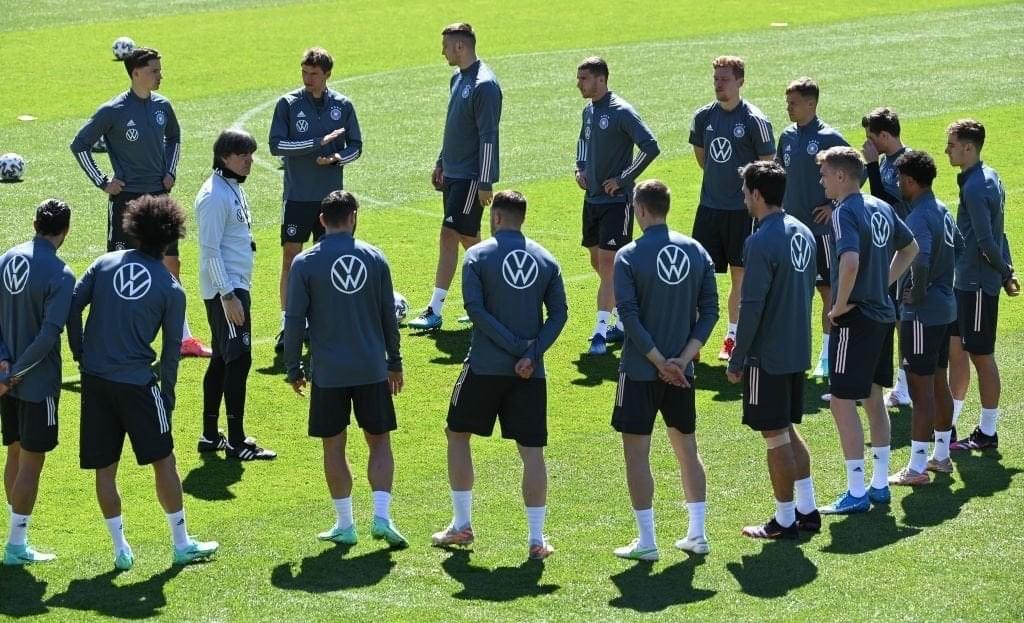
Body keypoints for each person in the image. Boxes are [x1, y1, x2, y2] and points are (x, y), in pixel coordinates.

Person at [68, 195, 218, 570]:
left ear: (133, 229)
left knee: (105, 468)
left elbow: (72, 305)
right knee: (164, 461)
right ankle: (181, 543)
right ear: (170, 237)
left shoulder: (104, 264)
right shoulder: (171, 289)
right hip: (138, 386)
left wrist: (79, 351)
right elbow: (170, 353)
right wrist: (167, 397)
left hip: (95, 381)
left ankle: (120, 549)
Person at [431, 190, 566, 560]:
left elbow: (475, 310)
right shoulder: (547, 259)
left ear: (496, 218)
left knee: (457, 434)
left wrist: (514, 346)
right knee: (532, 452)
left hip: (484, 366)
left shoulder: (477, 255)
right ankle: (536, 539)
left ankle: (462, 525)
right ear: (522, 218)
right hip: (530, 374)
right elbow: (560, 314)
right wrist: (531, 353)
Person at [69, 46, 211, 358]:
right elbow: (79, 145)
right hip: (127, 201)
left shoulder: (163, 106)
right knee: (117, 270)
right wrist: (103, 181)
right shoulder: (113, 110)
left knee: (171, 263)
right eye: (154, 71)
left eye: (159, 69)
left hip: (160, 200)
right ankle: (103, 338)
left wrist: (170, 171)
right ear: (136, 73)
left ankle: (183, 338)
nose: (160, 75)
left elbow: (174, 137)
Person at [284, 191, 407, 548]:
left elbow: (294, 321)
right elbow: (389, 317)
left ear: (322, 221)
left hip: (329, 374)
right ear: (353, 217)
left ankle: (345, 524)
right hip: (372, 369)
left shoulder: (304, 263)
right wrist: (395, 362)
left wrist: (293, 367)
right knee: (379, 442)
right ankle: (381, 517)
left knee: (334, 447)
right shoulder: (375, 258)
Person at [611, 180, 718, 560]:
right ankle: (697, 534)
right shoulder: (697, 251)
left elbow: (629, 316)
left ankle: (647, 541)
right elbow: (710, 312)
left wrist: (658, 361)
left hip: (640, 371)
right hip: (682, 375)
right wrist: (682, 361)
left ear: (640, 210)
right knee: (688, 451)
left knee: (637, 455)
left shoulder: (627, 256)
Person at [816, 147, 918, 515]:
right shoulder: (880, 207)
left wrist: (839, 305)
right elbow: (910, 248)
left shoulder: (844, 211)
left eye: (825, 175)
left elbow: (849, 262)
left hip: (856, 318)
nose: (822, 181)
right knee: (874, 397)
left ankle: (856, 491)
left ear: (841, 176)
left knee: (842, 400)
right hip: (882, 315)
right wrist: (882, 284)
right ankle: (879, 485)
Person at [727, 162, 820, 538]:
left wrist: (737, 357)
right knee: (787, 429)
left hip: (768, 354)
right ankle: (807, 510)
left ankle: (784, 520)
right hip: (797, 348)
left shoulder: (760, 241)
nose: (743, 199)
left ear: (757, 194)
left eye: (745, 192)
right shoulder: (804, 232)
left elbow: (751, 306)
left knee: (775, 436)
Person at [409, 23, 502, 332]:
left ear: (460, 47)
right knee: (469, 239)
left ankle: (435, 309)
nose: (443, 52)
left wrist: (485, 181)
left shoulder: (485, 85)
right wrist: (441, 162)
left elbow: (488, 136)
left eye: (446, 46)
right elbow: (455, 127)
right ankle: (491, 303)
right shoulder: (457, 79)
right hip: (454, 173)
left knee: (451, 233)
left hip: (471, 176)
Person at [269, 47, 362, 353]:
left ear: (327, 75)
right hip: (298, 196)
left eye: (314, 74)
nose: (308, 78)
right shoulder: (288, 104)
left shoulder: (343, 105)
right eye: (304, 72)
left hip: (331, 200)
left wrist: (336, 158)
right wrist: (315, 143)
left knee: (331, 260)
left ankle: (327, 323)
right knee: (291, 259)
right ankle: (288, 325)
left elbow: (356, 146)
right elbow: (276, 145)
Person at [0, 199, 75, 565]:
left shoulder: (5, 259)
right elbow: (48, 335)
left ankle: (14, 532)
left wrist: (3, 366)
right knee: (31, 463)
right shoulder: (61, 274)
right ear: (66, 230)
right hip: (36, 383)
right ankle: (16, 545)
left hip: (5, 380)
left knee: (14, 452)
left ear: (34, 223)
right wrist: (15, 375)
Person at [195, 129, 276, 460]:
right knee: (239, 360)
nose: (249, 161)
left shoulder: (230, 187)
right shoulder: (213, 196)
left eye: (251, 155)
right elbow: (209, 250)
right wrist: (228, 295)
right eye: (243, 156)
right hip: (226, 289)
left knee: (221, 359)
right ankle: (237, 441)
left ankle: (210, 435)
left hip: (234, 285)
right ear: (224, 157)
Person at [689, 56, 775, 361]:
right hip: (709, 207)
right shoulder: (703, 117)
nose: (719, 85)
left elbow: (768, 166)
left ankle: (732, 338)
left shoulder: (754, 120)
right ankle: (693, 340)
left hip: (742, 213)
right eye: (716, 79)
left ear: (740, 81)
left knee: (740, 275)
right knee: (699, 274)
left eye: (725, 79)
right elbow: (703, 159)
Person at [574, 56, 660, 355]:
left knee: (609, 265)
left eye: (584, 78)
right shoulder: (588, 111)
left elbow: (650, 146)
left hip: (616, 202)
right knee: (597, 261)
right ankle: (625, 318)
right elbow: (583, 141)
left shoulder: (621, 111)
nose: (579, 84)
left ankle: (600, 332)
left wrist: (623, 179)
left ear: (601, 79)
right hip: (592, 199)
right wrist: (580, 168)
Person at [885, 151, 959, 485]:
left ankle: (916, 468)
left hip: (922, 315)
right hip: (945, 308)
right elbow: (958, 247)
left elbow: (921, 258)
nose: (899, 185)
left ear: (911, 181)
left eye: (900, 180)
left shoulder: (917, 217)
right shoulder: (942, 209)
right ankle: (941, 456)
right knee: (939, 381)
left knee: (920, 388)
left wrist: (916, 292)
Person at [944, 120, 1014, 451]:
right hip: (965, 281)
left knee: (981, 356)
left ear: (968, 148)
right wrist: (1006, 270)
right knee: (956, 352)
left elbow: (987, 241)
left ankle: (987, 432)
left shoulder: (976, 187)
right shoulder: (987, 177)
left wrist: (1004, 272)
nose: (947, 150)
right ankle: (948, 425)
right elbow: (1000, 233)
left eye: (951, 145)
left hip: (976, 285)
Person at [776, 78, 852, 379]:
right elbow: (779, 174)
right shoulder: (787, 136)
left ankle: (827, 356)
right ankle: (796, 353)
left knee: (827, 292)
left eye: (793, 103)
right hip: (792, 232)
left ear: (811, 103)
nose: (789, 108)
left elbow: (856, 175)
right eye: (788, 102)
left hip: (821, 233)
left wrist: (833, 206)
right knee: (795, 292)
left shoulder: (829, 137)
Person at [861, 107, 914, 407]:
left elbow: (886, 202)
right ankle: (897, 385)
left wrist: (870, 164)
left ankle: (905, 386)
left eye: (871, 137)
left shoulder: (907, 163)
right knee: (893, 316)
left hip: (905, 253)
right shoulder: (886, 162)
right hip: (888, 250)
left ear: (884, 135)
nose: (867, 143)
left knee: (902, 319)